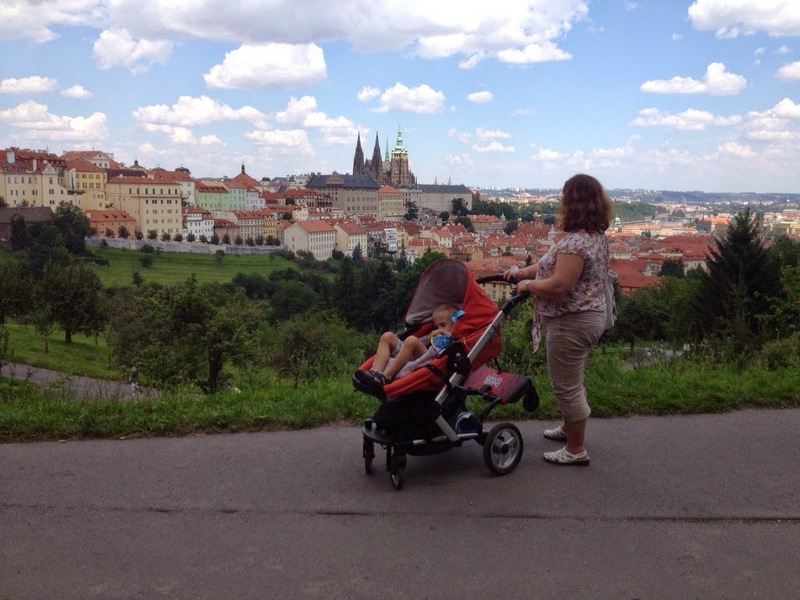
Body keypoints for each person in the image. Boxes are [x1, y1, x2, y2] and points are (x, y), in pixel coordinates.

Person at [505, 173, 612, 466]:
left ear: (572, 202)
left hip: (572, 321)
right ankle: (569, 427)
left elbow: (559, 285)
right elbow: (550, 265)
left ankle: (576, 449)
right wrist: (522, 273)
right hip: (587, 316)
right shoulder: (593, 238)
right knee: (573, 378)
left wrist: (528, 286)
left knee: (566, 386)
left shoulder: (574, 244)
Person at [354, 303, 463, 393]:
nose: (438, 329)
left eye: (443, 325)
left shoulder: (456, 338)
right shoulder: (434, 335)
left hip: (429, 360)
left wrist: (445, 332)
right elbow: (423, 341)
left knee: (411, 340)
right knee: (387, 336)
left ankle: (386, 376)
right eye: (436, 326)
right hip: (415, 355)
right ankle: (375, 373)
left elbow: (453, 338)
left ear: (456, 323)